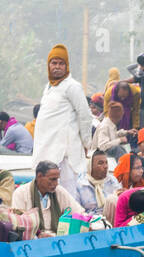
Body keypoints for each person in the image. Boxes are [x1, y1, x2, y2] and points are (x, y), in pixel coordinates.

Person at [31, 44, 92, 190]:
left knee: (67, 197)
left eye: (61, 63)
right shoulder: (49, 87)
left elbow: (85, 116)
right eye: (54, 63)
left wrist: (86, 143)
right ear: (48, 65)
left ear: (67, 66)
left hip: (64, 154)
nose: (57, 67)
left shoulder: (72, 86)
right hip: (47, 149)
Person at [9, 161, 87, 235]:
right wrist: (38, 235)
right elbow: (19, 223)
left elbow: (77, 212)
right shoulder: (21, 193)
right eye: (52, 179)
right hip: (32, 240)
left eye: (57, 179)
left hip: (57, 238)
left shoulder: (59, 191)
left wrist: (88, 222)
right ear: (39, 176)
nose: (56, 183)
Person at [76, 150, 121, 219]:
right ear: (90, 166)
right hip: (90, 222)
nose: (105, 166)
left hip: (112, 219)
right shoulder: (80, 184)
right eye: (100, 163)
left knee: (112, 199)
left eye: (106, 163)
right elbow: (77, 211)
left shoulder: (112, 180)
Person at [102, 67, 138, 132]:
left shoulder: (135, 92)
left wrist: (136, 126)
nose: (122, 99)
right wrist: (110, 124)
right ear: (116, 92)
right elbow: (106, 110)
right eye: (120, 97)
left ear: (129, 93)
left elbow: (136, 110)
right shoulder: (109, 93)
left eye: (125, 97)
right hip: (113, 116)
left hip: (128, 117)